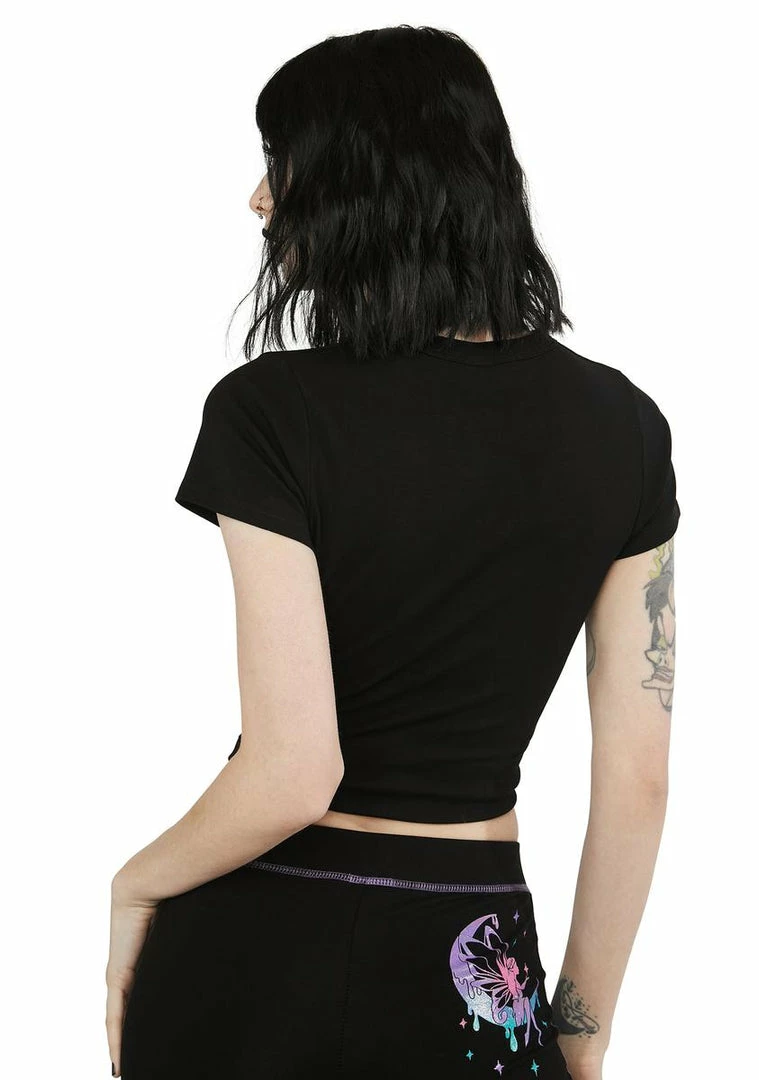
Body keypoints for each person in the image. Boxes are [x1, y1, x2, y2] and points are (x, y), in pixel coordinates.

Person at [106, 25, 680, 1080]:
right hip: (474, 957)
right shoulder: (626, 429)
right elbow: (637, 778)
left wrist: (135, 884)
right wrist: (580, 1037)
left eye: (282, 162)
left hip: (256, 946)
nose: (260, 199)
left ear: (364, 181)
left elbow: (293, 771)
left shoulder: (271, 412)